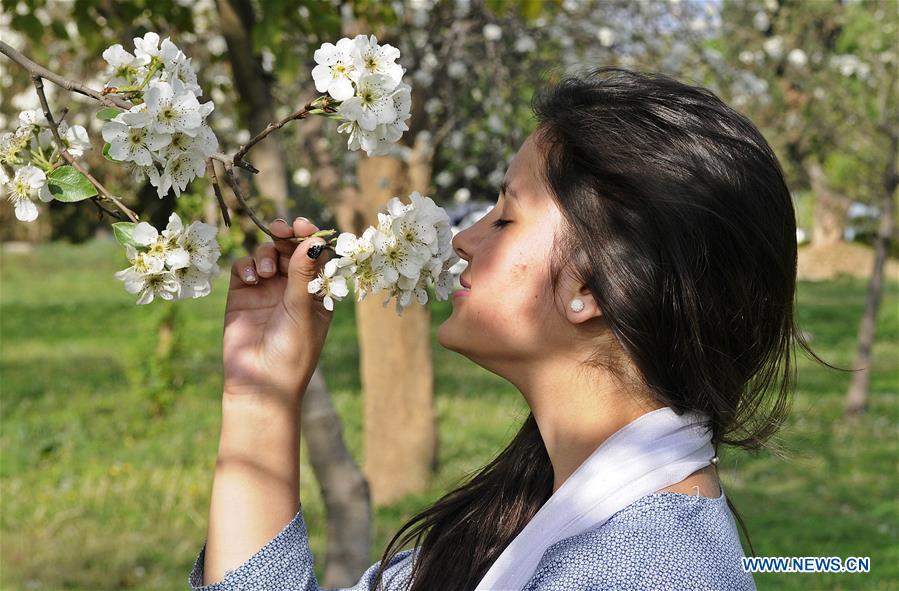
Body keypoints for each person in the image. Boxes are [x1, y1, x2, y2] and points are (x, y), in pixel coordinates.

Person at [187, 66, 825, 590]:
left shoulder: (641, 570)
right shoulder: (531, 516)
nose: (462, 240)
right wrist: (261, 393)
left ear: (592, 286)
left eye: (504, 218)